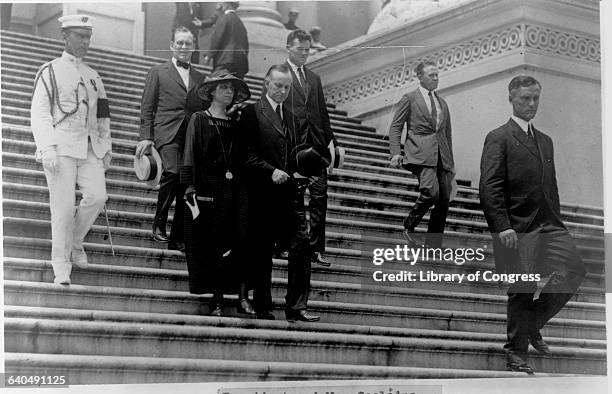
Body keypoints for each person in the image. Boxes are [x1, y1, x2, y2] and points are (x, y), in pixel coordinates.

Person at [479, 75, 586, 374]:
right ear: (511, 98)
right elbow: (489, 186)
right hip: (516, 225)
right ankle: (514, 353)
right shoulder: (498, 137)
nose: (531, 104)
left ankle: (532, 324)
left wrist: (558, 222)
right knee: (521, 286)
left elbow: (551, 187)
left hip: (548, 223)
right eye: (525, 98)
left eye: (536, 98)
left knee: (575, 270)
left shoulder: (546, 141)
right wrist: (503, 227)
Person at [30, 14, 112, 285]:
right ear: (64, 36)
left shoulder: (93, 76)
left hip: (89, 148)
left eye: (88, 36)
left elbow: (102, 117)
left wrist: (106, 147)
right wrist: (47, 147)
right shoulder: (49, 70)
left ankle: (76, 241)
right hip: (61, 147)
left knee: (98, 197)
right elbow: (40, 113)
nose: (85, 42)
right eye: (80, 36)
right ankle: (61, 266)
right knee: (63, 210)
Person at [241, 64, 320, 322]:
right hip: (262, 193)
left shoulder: (293, 118)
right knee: (262, 249)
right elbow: (245, 155)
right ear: (266, 83)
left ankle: (297, 306)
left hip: (289, 194)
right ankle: (263, 305)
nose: (282, 91)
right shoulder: (251, 112)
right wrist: (270, 171)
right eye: (277, 85)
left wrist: (306, 170)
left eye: (287, 87)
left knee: (302, 244)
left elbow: (297, 153)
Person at [181, 70, 255, 317]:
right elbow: (189, 153)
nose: (229, 92)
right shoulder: (199, 119)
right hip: (208, 187)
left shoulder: (236, 123)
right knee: (211, 243)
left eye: (232, 89)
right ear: (212, 91)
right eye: (224, 88)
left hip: (233, 190)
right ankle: (217, 299)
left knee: (232, 242)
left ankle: (235, 295)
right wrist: (189, 186)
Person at [136, 26, 204, 252]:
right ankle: (159, 224)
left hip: (191, 136)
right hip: (167, 132)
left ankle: (179, 236)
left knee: (185, 181)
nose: (184, 47)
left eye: (188, 43)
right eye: (180, 43)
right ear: (172, 46)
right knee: (172, 172)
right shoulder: (158, 71)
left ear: (194, 47)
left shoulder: (200, 77)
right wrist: (146, 137)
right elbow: (147, 107)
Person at [283, 29, 337, 268]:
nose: (305, 53)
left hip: (316, 147)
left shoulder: (314, 78)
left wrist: (332, 142)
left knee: (319, 196)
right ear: (288, 48)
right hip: (291, 146)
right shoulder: (279, 73)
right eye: (300, 49)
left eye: (307, 49)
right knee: (291, 198)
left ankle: (316, 248)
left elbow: (322, 112)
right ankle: (286, 245)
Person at [388, 60, 454, 248]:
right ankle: (409, 226)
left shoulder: (442, 102)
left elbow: (447, 134)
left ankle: (434, 245)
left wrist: (451, 165)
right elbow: (395, 127)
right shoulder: (409, 98)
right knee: (430, 193)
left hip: (442, 156)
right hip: (420, 153)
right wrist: (395, 153)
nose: (435, 78)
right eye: (431, 75)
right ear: (420, 77)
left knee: (444, 199)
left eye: (437, 75)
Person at [204, 2, 249, 80]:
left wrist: (209, 56)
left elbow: (217, 38)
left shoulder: (224, 18)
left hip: (225, 62)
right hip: (240, 64)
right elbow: (246, 46)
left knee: (216, 86)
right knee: (235, 89)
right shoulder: (241, 24)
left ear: (227, 4)